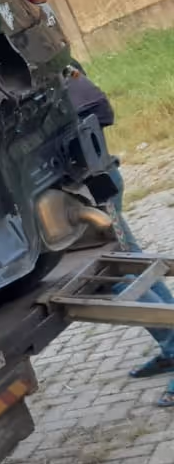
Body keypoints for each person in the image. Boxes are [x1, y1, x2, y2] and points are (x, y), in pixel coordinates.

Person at [65, 64, 174, 405]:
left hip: (86, 194)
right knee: (132, 264)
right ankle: (170, 346)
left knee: (118, 274)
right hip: (95, 182)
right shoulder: (46, 57)